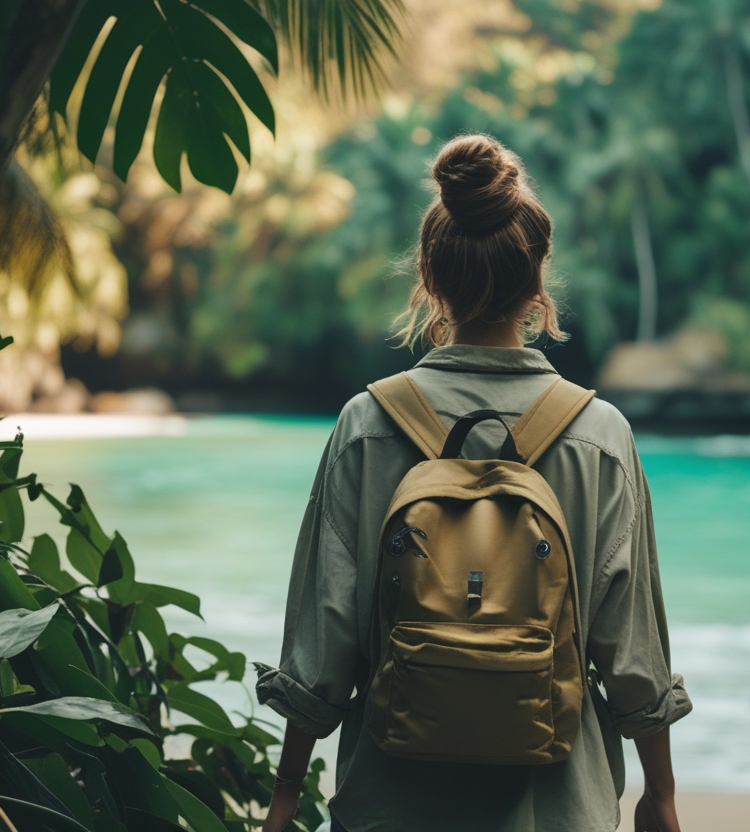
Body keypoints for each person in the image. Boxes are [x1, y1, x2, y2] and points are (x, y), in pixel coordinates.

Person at [256, 134, 691, 832]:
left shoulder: (366, 425)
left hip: (392, 809)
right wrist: (661, 794)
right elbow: (632, 651)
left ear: (429, 276)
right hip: (556, 812)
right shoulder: (600, 436)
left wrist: (284, 797)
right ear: (538, 281)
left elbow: (323, 639)